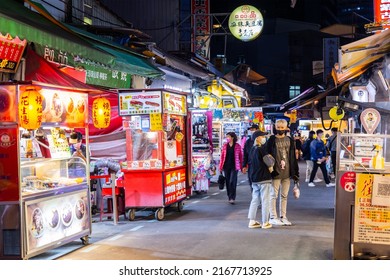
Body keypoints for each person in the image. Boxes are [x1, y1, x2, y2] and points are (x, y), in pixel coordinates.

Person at [266, 119, 299, 226]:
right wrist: (270, 170)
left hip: (288, 172)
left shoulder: (290, 140)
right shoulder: (271, 140)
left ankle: (283, 216)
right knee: (273, 195)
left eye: (282, 127)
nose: (280, 129)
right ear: (275, 127)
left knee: (284, 195)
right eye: (278, 127)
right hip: (275, 172)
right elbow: (267, 156)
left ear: (286, 127)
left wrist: (295, 173)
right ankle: (272, 216)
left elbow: (293, 157)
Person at [247, 130, 273, 229]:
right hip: (264, 177)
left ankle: (252, 221)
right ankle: (265, 222)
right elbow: (269, 162)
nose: (264, 138)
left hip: (254, 177)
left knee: (255, 199)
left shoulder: (252, 149)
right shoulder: (261, 149)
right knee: (265, 200)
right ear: (258, 138)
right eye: (262, 136)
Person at [219, 132, 243, 204]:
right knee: (228, 182)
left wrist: (242, 166)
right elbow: (222, 157)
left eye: (228, 137)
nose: (227, 138)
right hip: (226, 166)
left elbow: (240, 157)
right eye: (226, 137)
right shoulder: (225, 146)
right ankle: (229, 197)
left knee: (232, 181)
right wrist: (220, 167)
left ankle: (233, 197)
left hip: (234, 166)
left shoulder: (237, 146)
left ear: (232, 137)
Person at [242, 123, 259, 191]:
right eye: (250, 130)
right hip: (251, 164)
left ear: (257, 130)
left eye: (253, 129)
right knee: (251, 182)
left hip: (260, 165)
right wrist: (244, 165)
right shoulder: (248, 142)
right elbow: (245, 154)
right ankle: (255, 197)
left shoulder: (263, 140)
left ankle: (259, 198)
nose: (251, 131)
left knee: (259, 183)